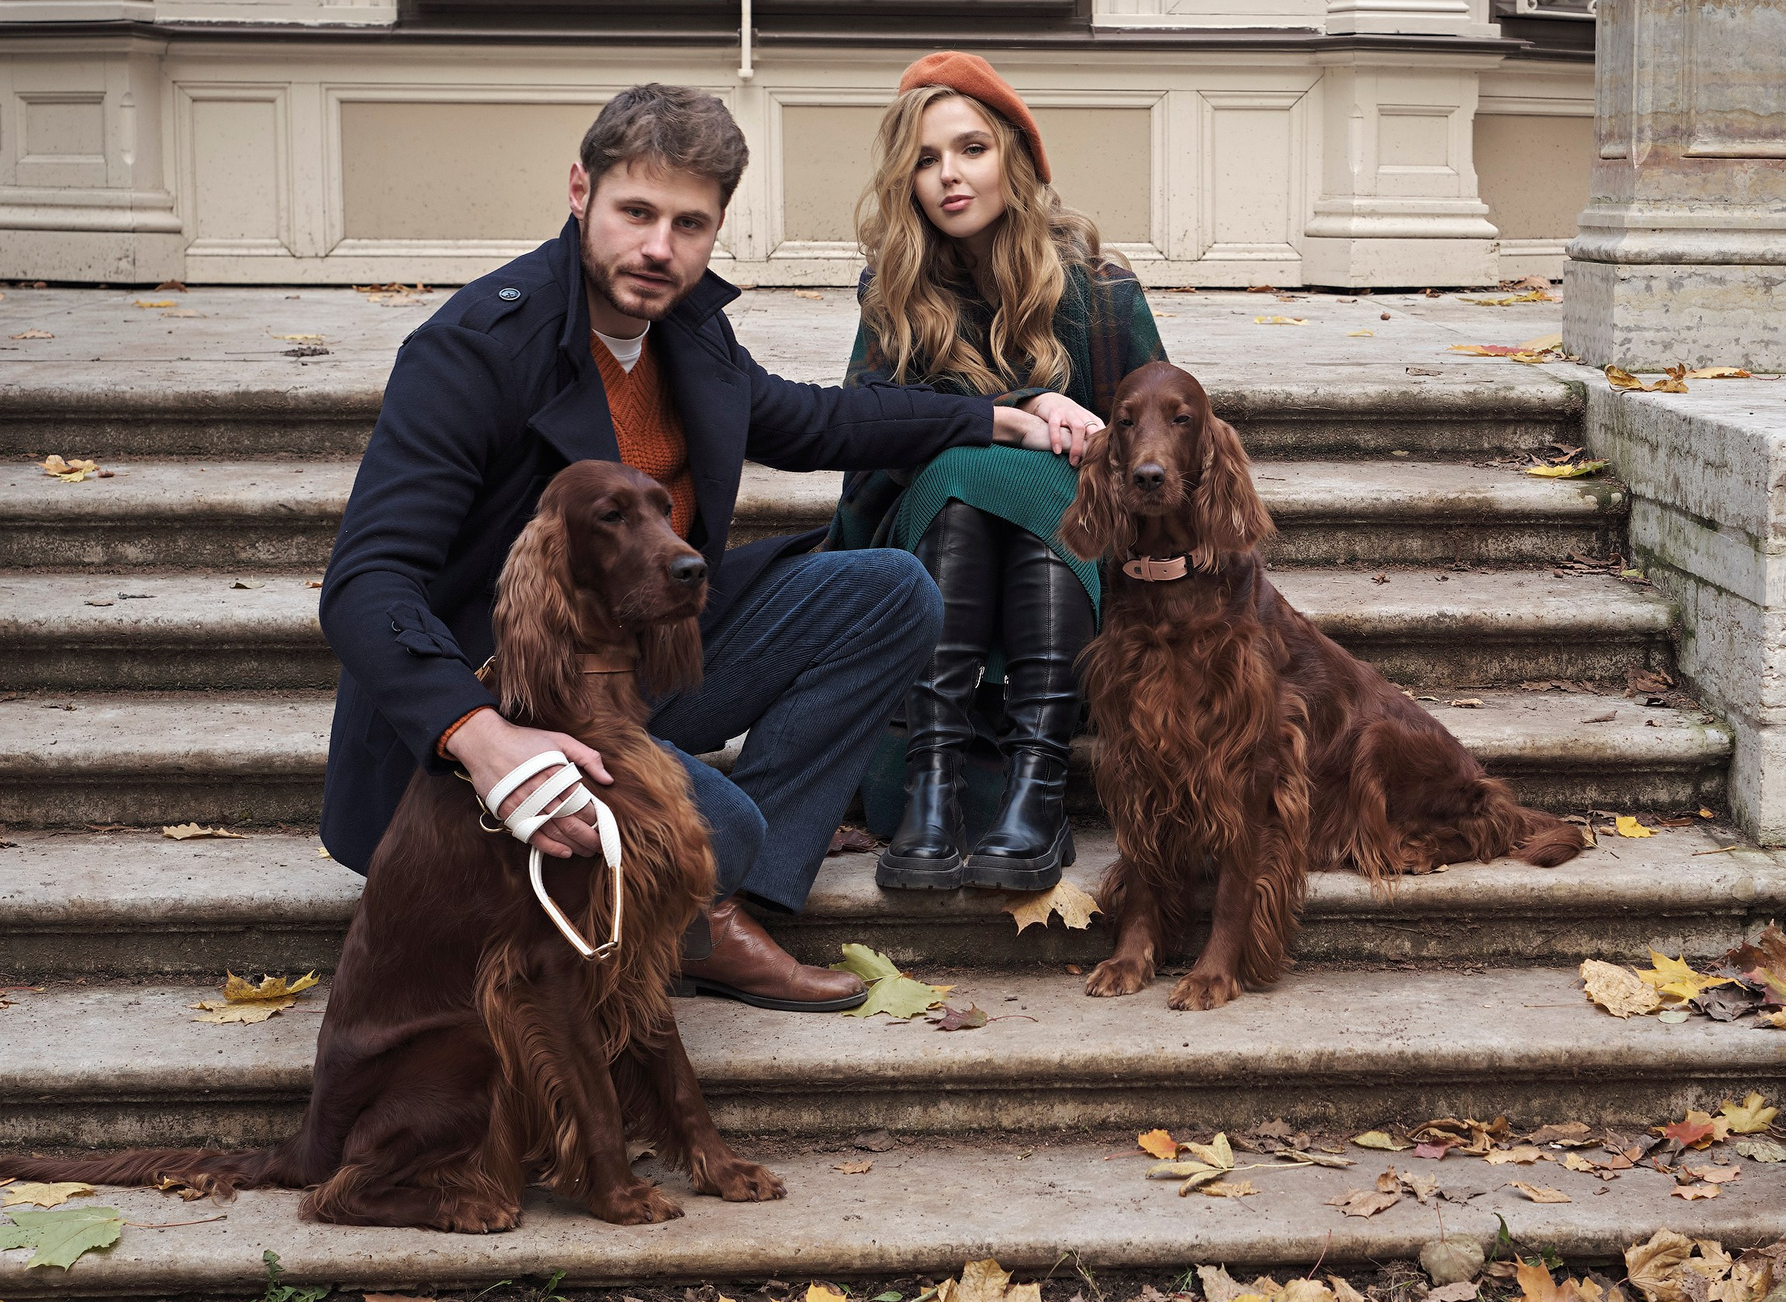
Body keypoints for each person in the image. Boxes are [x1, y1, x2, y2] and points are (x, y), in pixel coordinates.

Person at [319, 85, 1070, 1010]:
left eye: (689, 224)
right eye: (635, 213)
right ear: (579, 192)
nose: (657, 249)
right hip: (510, 699)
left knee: (890, 591)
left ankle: (717, 906)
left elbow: (810, 419)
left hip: (638, 668)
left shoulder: (687, 329)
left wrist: (998, 414)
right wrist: (481, 739)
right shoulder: (476, 351)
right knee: (727, 826)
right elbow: (365, 582)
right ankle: (705, 899)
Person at [833, 52, 1164, 895]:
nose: (949, 176)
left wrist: (1085, 440)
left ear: (1014, 158)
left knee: (1017, 487)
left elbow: (1160, 441)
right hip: (928, 527)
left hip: (1068, 540)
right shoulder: (893, 290)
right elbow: (863, 434)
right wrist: (1020, 412)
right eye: (925, 159)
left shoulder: (1098, 289)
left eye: (971, 149)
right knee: (965, 476)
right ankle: (990, 792)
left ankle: (986, 786)